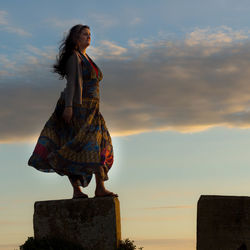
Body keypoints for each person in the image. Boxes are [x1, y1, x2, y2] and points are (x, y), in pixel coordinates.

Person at [28, 24, 118, 199]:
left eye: (90, 34)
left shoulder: (86, 57)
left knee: (101, 145)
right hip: (78, 109)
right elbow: (71, 84)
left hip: (93, 111)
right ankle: (77, 190)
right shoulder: (74, 57)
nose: (88, 37)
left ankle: (100, 187)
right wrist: (69, 107)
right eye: (84, 34)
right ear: (76, 38)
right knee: (74, 146)